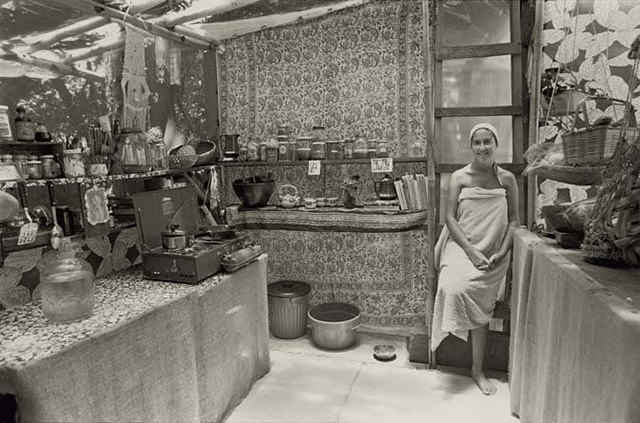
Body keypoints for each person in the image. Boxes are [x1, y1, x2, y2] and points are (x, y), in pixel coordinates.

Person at [431, 123, 519, 395]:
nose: (482, 147)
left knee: (479, 294)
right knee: (453, 287)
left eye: (487, 142)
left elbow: (515, 220)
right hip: (461, 246)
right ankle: (458, 354)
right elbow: (449, 218)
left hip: (493, 250)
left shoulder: (507, 179)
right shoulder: (459, 177)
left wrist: (502, 251)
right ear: (471, 147)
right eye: (477, 142)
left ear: (496, 144)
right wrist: (470, 251)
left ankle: (476, 369)